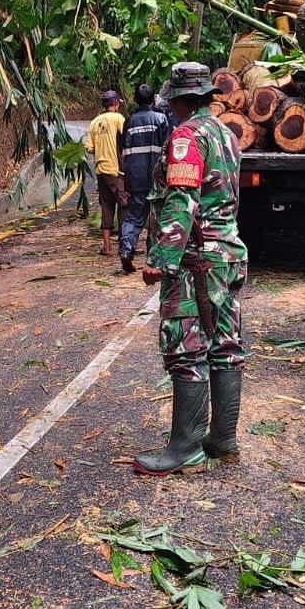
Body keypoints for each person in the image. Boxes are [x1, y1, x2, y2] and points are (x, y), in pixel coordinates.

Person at [136, 62, 248, 476]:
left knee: (185, 347)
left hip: (196, 260)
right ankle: (223, 439)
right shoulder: (227, 134)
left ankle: (185, 448)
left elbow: (182, 200)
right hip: (228, 253)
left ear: (181, 99)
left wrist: (161, 258)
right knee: (225, 343)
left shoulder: (187, 136)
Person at [118, 83, 170, 273]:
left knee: (133, 217)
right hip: (157, 178)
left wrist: (124, 178)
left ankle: (126, 250)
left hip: (135, 178)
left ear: (135, 100)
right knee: (156, 218)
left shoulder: (129, 122)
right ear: (153, 100)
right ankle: (152, 257)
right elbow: (167, 148)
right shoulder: (161, 119)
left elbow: (125, 150)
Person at [85, 89, 127, 256]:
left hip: (100, 171)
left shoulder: (94, 122)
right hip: (115, 170)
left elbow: (89, 148)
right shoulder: (118, 118)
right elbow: (127, 138)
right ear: (115, 103)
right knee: (124, 206)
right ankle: (124, 246)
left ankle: (107, 247)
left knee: (107, 207)